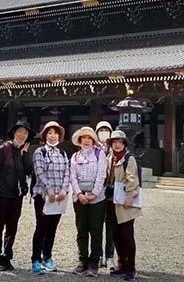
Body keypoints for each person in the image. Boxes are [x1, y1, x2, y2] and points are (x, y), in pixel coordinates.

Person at [0, 119, 33, 271]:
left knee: (12, 227)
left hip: (17, 195)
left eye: (25, 133)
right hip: (3, 194)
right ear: (14, 133)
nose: (22, 135)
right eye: (20, 131)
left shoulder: (24, 151)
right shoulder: (4, 148)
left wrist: (25, 155)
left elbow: (29, 170)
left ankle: (7, 256)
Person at [30, 121, 71, 275]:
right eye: (50, 133)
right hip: (43, 195)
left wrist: (64, 190)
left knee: (52, 228)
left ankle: (47, 257)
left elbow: (67, 172)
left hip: (59, 197)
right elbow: (39, 172)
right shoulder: (40, 152)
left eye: (55, 133)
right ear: (45, 135)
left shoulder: (63, 153)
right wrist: (50, 190)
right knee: (41, 227)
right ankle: (36, 259)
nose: (53, 136)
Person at [69, 127, 108, 277]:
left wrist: (94, 194)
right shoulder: (75, 156)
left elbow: (101, 174)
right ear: (79, 141)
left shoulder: (99, 154)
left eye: (89, 138)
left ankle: (94, 263)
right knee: (81, 230)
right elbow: (72, 177)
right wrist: (79, 193)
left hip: (97, 198)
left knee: (96, 231)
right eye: (83, 138)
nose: (86, 140)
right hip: (80, 198)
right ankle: (82, 260)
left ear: (93, 140)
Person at [107, 130, 141, 282]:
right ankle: (121, 264)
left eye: (120, 142)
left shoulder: (128, 158)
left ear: (124, 144)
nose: (117, 144)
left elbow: (132, 180)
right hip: (111, 201)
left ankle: (131, 267)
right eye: (114, 142)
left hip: (124, 202)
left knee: (127, 235)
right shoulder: (109, 157)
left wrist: (129, 197)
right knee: (116, 235)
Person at [95, 120, 116, 270]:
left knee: (110, 226)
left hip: (111, 193)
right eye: (101, 131)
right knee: (96, 226)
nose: (103, 133)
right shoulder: (92, 149)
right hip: (96, 193)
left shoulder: (114, 149)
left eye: (106, 130)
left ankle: (110, 256)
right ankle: (97, 255)